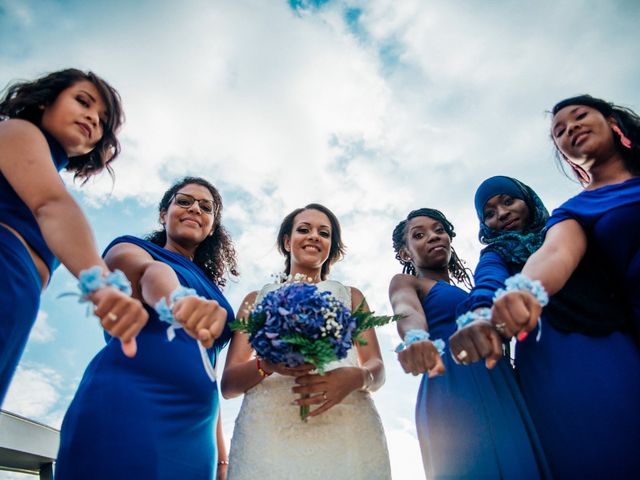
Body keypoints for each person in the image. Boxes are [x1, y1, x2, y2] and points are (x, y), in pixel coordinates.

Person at [488, 98, 640, 477]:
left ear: (613, 121)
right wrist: (524, 291)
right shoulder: (574, 212)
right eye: (559, 130)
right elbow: (555, 254)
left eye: (579, 116)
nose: (569, 128)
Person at [450, 174, 640, 477]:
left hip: (611, 339)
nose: (501, 214)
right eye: (489, 213)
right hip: (547, 357)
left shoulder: (568, 226)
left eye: (508, 201)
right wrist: (481, 314)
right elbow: (487, 284)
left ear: (528, 198)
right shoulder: (496, 253)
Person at [55, 177, 238, 480]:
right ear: (163, 214)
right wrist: (178, 301)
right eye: (184, 201)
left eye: (206, 208)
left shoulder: (216, 294)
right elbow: (150, 273)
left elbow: (210, 368)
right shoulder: (131, 247)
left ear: (211, 227)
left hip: (197, 430)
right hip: (129, 401)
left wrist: (221, 457)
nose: (195, 208)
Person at [0, 69, 148, 404]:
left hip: (17, 303)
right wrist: (102, 284)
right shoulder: (16, 130)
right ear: (45, 101)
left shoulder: (46, 168)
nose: (93, 118)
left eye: (103, 121)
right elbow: (51, 205)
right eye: (82, 101)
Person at [221, 203, 391, 479]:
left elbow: (377, 370)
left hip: (345, 430)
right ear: (287, 241)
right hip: (268, 436)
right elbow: (228, 385)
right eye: (304, 229)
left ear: (331, 247)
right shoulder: (256, 299)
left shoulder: (351, 296)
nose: (314, 236)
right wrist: (269, 364)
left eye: (324, 233)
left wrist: (356, 377)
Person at [389, 208, 548, 479]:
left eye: (439, 230)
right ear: (405, 253)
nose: (433, 237)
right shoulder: (408, 281)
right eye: (419, 234)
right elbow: (406, 310)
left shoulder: (476, 293)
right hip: (452, 380)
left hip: (500, 381)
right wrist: (416, 339)